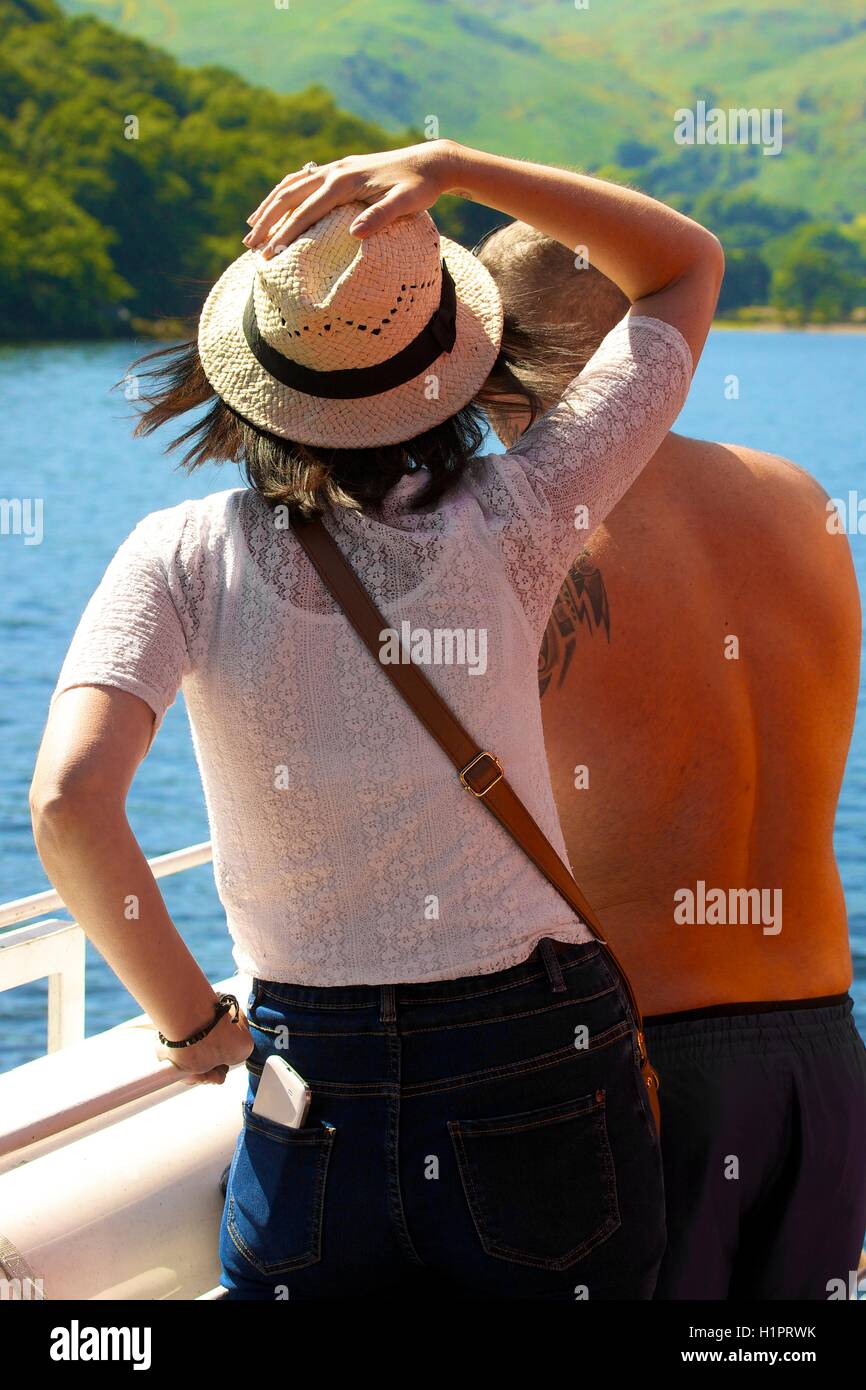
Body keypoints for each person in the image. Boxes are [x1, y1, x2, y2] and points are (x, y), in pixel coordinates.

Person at [29, 140, 722, 1300]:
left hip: (309, 1076)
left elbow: (66, 803)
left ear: (251, 368)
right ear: (451, 360)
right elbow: (682, 269)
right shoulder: (524, 510)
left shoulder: (178, 557)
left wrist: (194, 1027)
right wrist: (446, 163)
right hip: (533, 1047)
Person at [477, 220, 866, 1301]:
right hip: (820, 1051)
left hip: (641, 1067)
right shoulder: (801, 498)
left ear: (493, 372)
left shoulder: (520, 534)